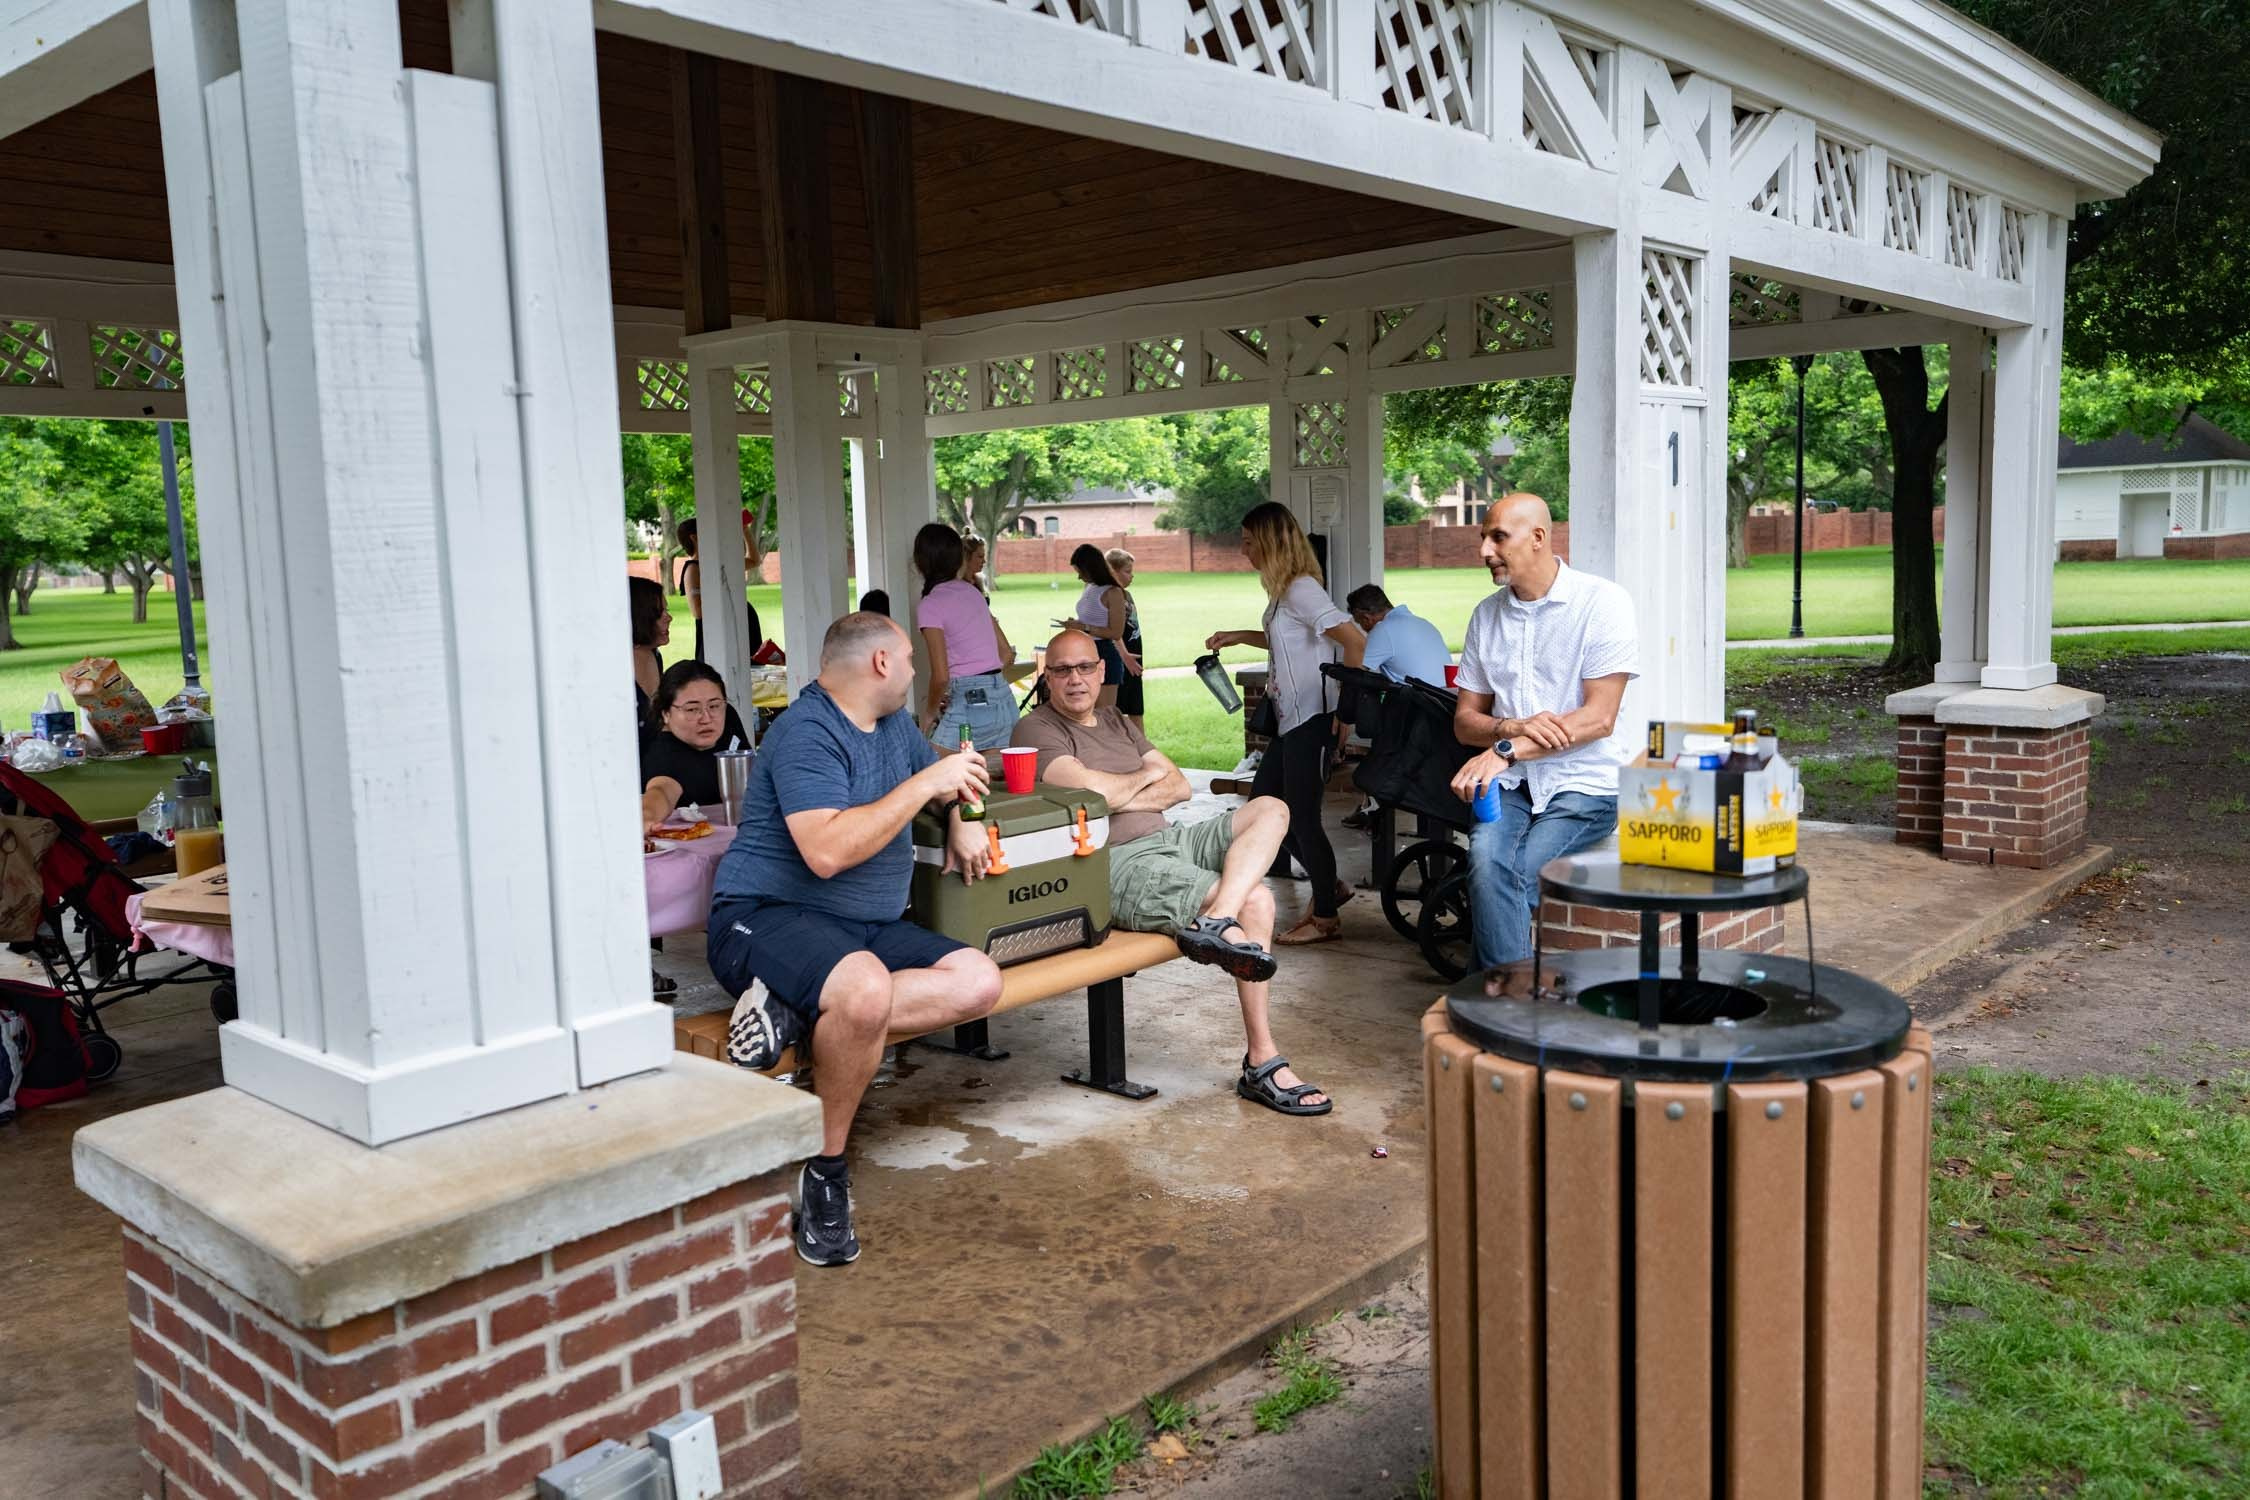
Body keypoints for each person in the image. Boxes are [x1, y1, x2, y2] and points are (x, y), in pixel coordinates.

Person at [705, 612, 1004, 1267]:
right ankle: (825, 1169)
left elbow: (943, 775)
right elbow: (827, 853)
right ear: (879, 664)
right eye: (909, 659)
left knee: (980, 980)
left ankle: (793, 1007)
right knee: (863, 991)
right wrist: (929, 785)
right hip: (764, 915)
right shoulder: (805, 733)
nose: (916, 671)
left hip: (864, 929)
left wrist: (957, 816)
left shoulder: (893, 725)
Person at [1013, 629, 1332, 1115]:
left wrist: (1125, 790)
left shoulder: (1115, 719)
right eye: (1061, 670)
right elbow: (1093, 795)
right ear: (1047, 677)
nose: (1074, 679)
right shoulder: (1037, 731)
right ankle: (1262, 1061)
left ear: (1102, 672)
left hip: (1171, 839)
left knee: (1271, 808)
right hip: (1116, 861)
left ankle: (1215, 919)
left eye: (1084, 668)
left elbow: (1181, 786)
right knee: (1259, 901)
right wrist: (1143, 778)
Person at [1448, 494, 1639, 975]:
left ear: (1538, 537)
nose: (1484, 551)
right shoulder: (1486, 617)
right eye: (1482, 538)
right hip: (1511, 787)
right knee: (1489, 861)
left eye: (1498, 537)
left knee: (1505, 873)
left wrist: (1506, 751)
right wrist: (1508, 727)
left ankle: (1493, 1002)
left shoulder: (1602, 603)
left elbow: (1599, 718)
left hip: (1585, 784)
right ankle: (1504, 1006)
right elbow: (1465, 721)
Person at [1204, 503, 1365, 945]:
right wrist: (1238, 636)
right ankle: (1327, 885)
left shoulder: (1302, 589)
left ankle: (1326, 915)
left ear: (1271, 542)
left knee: (1301, 821)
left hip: (1314, 720)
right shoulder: (1284, 593)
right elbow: (1287, 639)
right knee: (1263, 812)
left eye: (1249, 541)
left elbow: (1355, 642)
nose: (1243, 550)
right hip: (1291, 722)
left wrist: (1344, 713)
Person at [913, 523, 1019, 751]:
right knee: (990, 778)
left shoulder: (930, 605)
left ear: (920, 561)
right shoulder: (973, 593)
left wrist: (930, 712)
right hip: (1003, 698)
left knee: (930, 767)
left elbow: (941, 676)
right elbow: (1006, 654)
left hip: (968, 701)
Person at [639, 661, 751, 831]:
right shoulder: (662, 751)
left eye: (714, 706)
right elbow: (661, 792)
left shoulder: (728, 718)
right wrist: (646, 818)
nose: (706, 718)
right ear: (666, 713)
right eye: (692, 709)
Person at [1068, 544, 1138, 711]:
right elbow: (1092, 619)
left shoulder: (1113, 592)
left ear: (1091, 568)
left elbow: (1115, 632)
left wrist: (1084, 627)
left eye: (1080, 572)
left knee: (1104, 715)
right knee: (1086, 711)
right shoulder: (1089, 587)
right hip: (1084, 652)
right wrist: (1075, 624)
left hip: (1105, 654)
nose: (1079, 577)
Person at [1345, 584, 1451, 688]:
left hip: (1422, 701)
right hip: (1448, 698)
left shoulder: (1382, 630)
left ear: (1366, 618)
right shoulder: (1423, 622)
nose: (1362, 628)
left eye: (1359, 622)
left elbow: (1355, 674)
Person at [1104, 547, 1146, 730]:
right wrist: (1125, 656)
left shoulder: (1126, 594)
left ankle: (1142, 748)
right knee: (1117, 708)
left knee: (1136, 706)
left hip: (1133, 658)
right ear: (1112, 571)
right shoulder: (1111, 595)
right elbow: (1113, 631)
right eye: (1127, 572)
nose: (1132, 576)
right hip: (1122, 659)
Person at [629, 575, 672, 734]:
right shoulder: (619, 664)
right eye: (659, 613)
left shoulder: (652, 654)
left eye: (667, 610)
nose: (669, 618)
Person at [676, 518, 705, 662]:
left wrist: (745, 530)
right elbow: (698, 612)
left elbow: (754, 560)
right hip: (713, 632)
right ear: (694, 538)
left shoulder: (717, 562)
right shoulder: (693, 568)